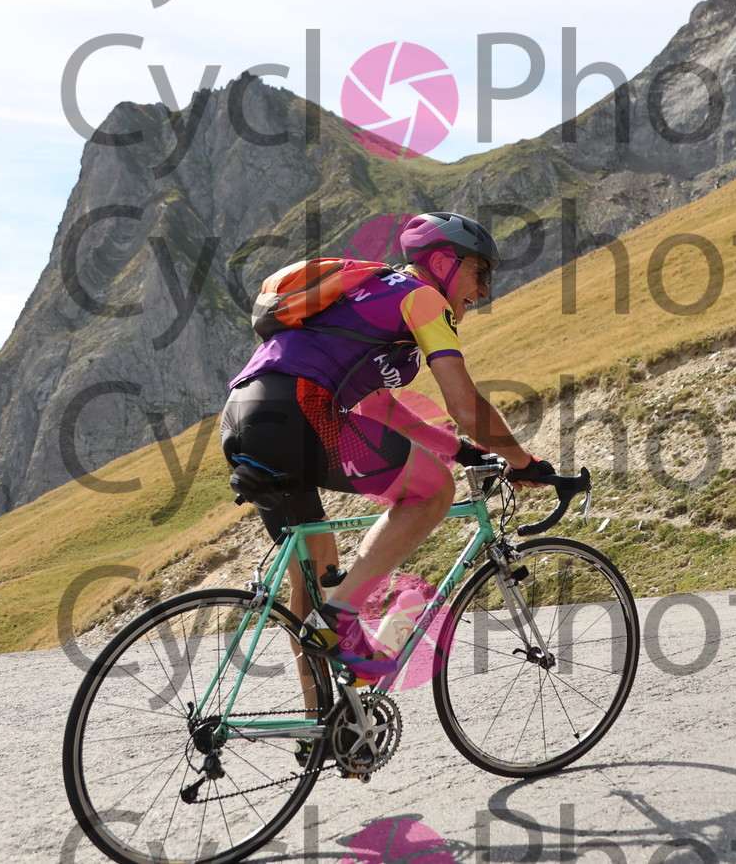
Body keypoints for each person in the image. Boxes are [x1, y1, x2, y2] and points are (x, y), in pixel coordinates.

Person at [219, 211, 553, 683]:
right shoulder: (422, 299)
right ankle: (340, 618)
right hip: (301, 408)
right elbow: (464, 404)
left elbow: (380, 408)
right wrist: (525, 463)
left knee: (314, 584)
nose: (483, 291)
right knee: (432, 491)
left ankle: (321, 720)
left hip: (243, 418)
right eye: (480, 273)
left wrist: (462, 451)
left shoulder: (373, 293)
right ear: (443, 262)